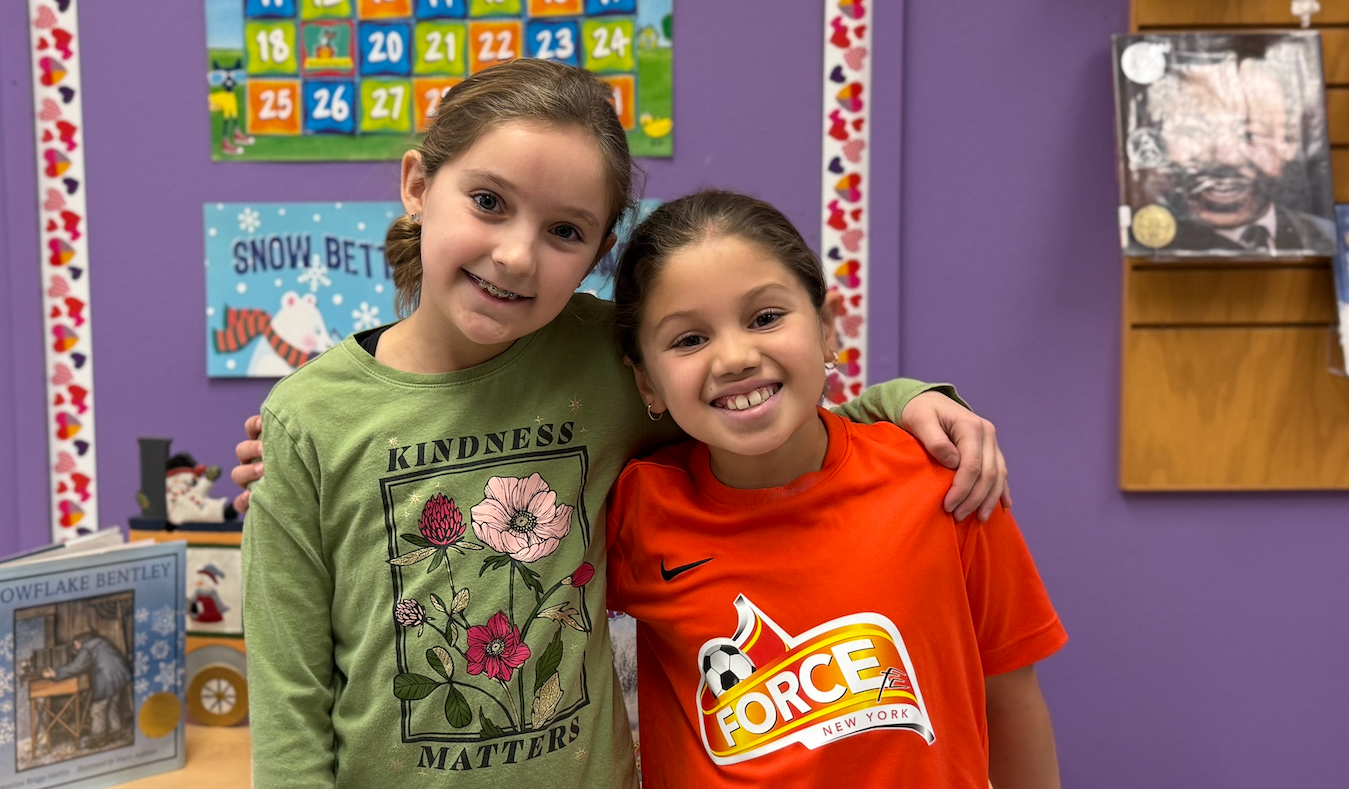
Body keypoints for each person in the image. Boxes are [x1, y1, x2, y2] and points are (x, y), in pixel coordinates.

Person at [239, 58, 1010, 789]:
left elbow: (763, 406)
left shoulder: (608, 360)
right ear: (417, 185)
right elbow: (289, 703)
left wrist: (900, 401)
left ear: (598, 253)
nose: (516, 255)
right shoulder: (309, 421)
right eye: (489, 202)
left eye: (564, 231)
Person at [605, 191, 1063, 788]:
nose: (735, 357)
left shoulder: (945, 482)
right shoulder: (634, 509)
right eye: (689, 340)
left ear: (827, 328)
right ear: (646, 381)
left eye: (765, 318)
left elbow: (1012, 702)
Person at [1139, 52, 1333, 254]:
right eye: (1194, 132)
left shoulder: (1325, 237)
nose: (1225, 158)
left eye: (1250, 134)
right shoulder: (1138, 242)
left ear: (1289, 141)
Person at [42, 630, 133, 750]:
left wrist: (55, 673)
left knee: (97, 709)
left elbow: (76, 667)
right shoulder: (100, 642)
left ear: (80, 642)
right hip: (120, 676)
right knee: (112, 705)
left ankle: (99, 737)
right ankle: (116, 731)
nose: (76, 648)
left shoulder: (87, 647)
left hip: (106, 679)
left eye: (76, 645)